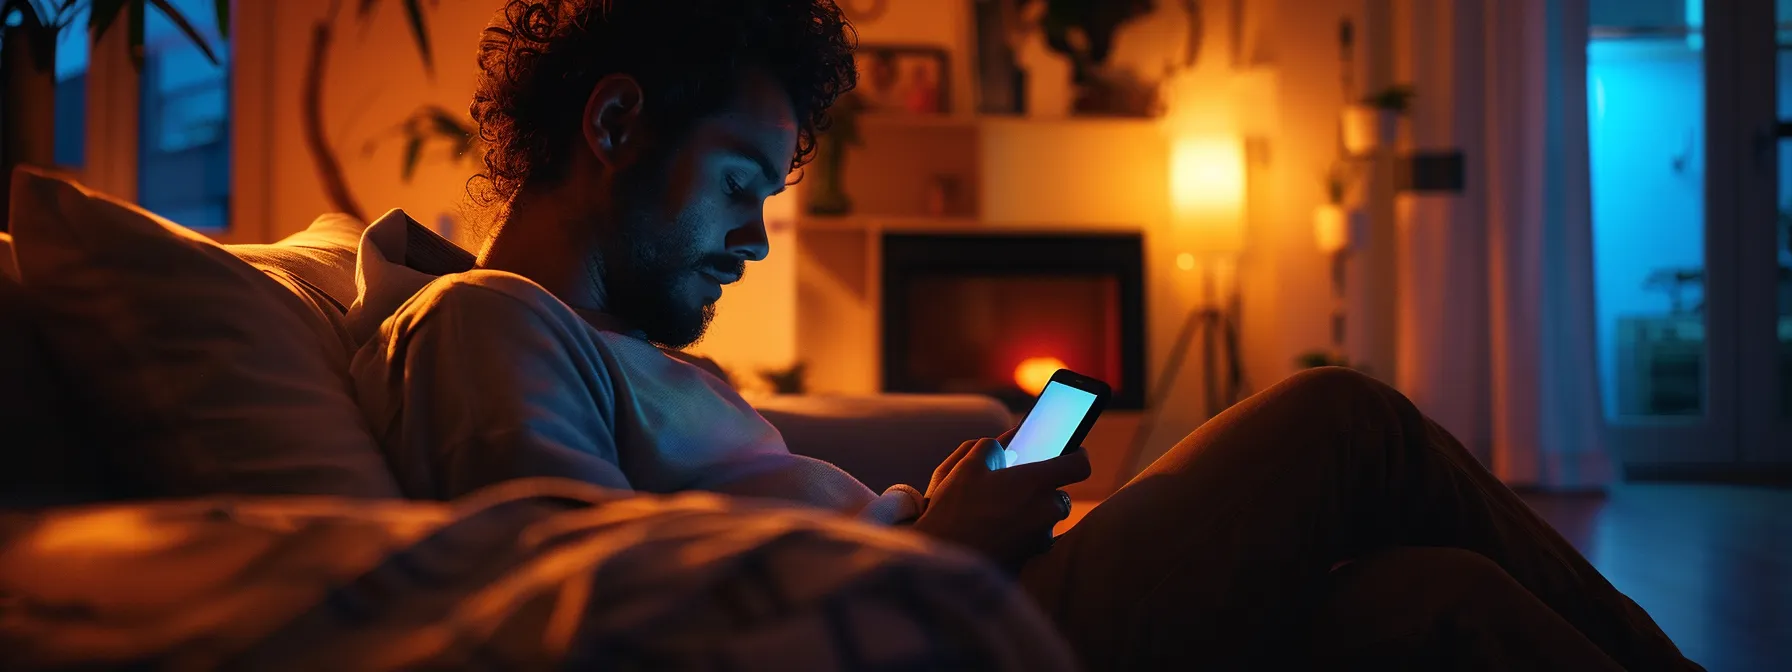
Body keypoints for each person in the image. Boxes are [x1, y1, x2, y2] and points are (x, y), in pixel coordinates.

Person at [349, 1, 1702, 669]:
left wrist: (929, 515)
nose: (755, 239)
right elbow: (580, 622)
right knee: (1341, 424)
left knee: (1426, 608)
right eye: (741, 185)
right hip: (932, 638)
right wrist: (930, 553)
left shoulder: (649, 361)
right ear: (613, 126)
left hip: (945, 590)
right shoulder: (488, 325)